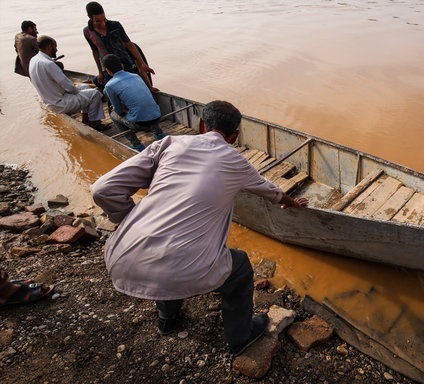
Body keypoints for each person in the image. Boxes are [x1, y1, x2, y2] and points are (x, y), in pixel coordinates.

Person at [91, 100, 309, 356]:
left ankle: (167, 319)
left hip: (122, 258)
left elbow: (102, 189)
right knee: (240, 268)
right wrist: (290, 202)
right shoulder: (237, 162)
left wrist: (130, 220)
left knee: (171, 244)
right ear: (235, 136)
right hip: (182, 267)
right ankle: (242, 337)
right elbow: (272, 191)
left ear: (201, 125)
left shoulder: (169, 143)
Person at [29, 36, 106, 129]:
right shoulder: (48, 64)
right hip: (60, 103)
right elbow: (68, 86)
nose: (56, 50)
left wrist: (80, 91)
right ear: (49, 47)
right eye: (55, 47)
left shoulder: (33, 60)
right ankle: (94, 124)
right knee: (95, 94)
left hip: (51, 100)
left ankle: (86, 121)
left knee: (85, 87)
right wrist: (78, 92)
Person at [83, 2, 157, 92]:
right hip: (108, 66)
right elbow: (95, 51)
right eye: (98, 21)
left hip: (124, 63)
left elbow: (129, 44)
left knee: (134, 87)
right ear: (90, 17)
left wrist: (143, 64)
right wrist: (100, 71)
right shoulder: (87, 32)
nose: (102, 23)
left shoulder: (115, 25)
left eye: (104, 19)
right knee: (108, 87)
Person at [102, 54, 165, 151]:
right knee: (145, 106)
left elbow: (119, 111)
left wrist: (118, 108)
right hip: (157, 116)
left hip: (139, 124)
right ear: (122, 66)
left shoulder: (109, 86)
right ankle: (159, 133)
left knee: (113, 114)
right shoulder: (136, 76)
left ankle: (136, 144)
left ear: (108, 71)